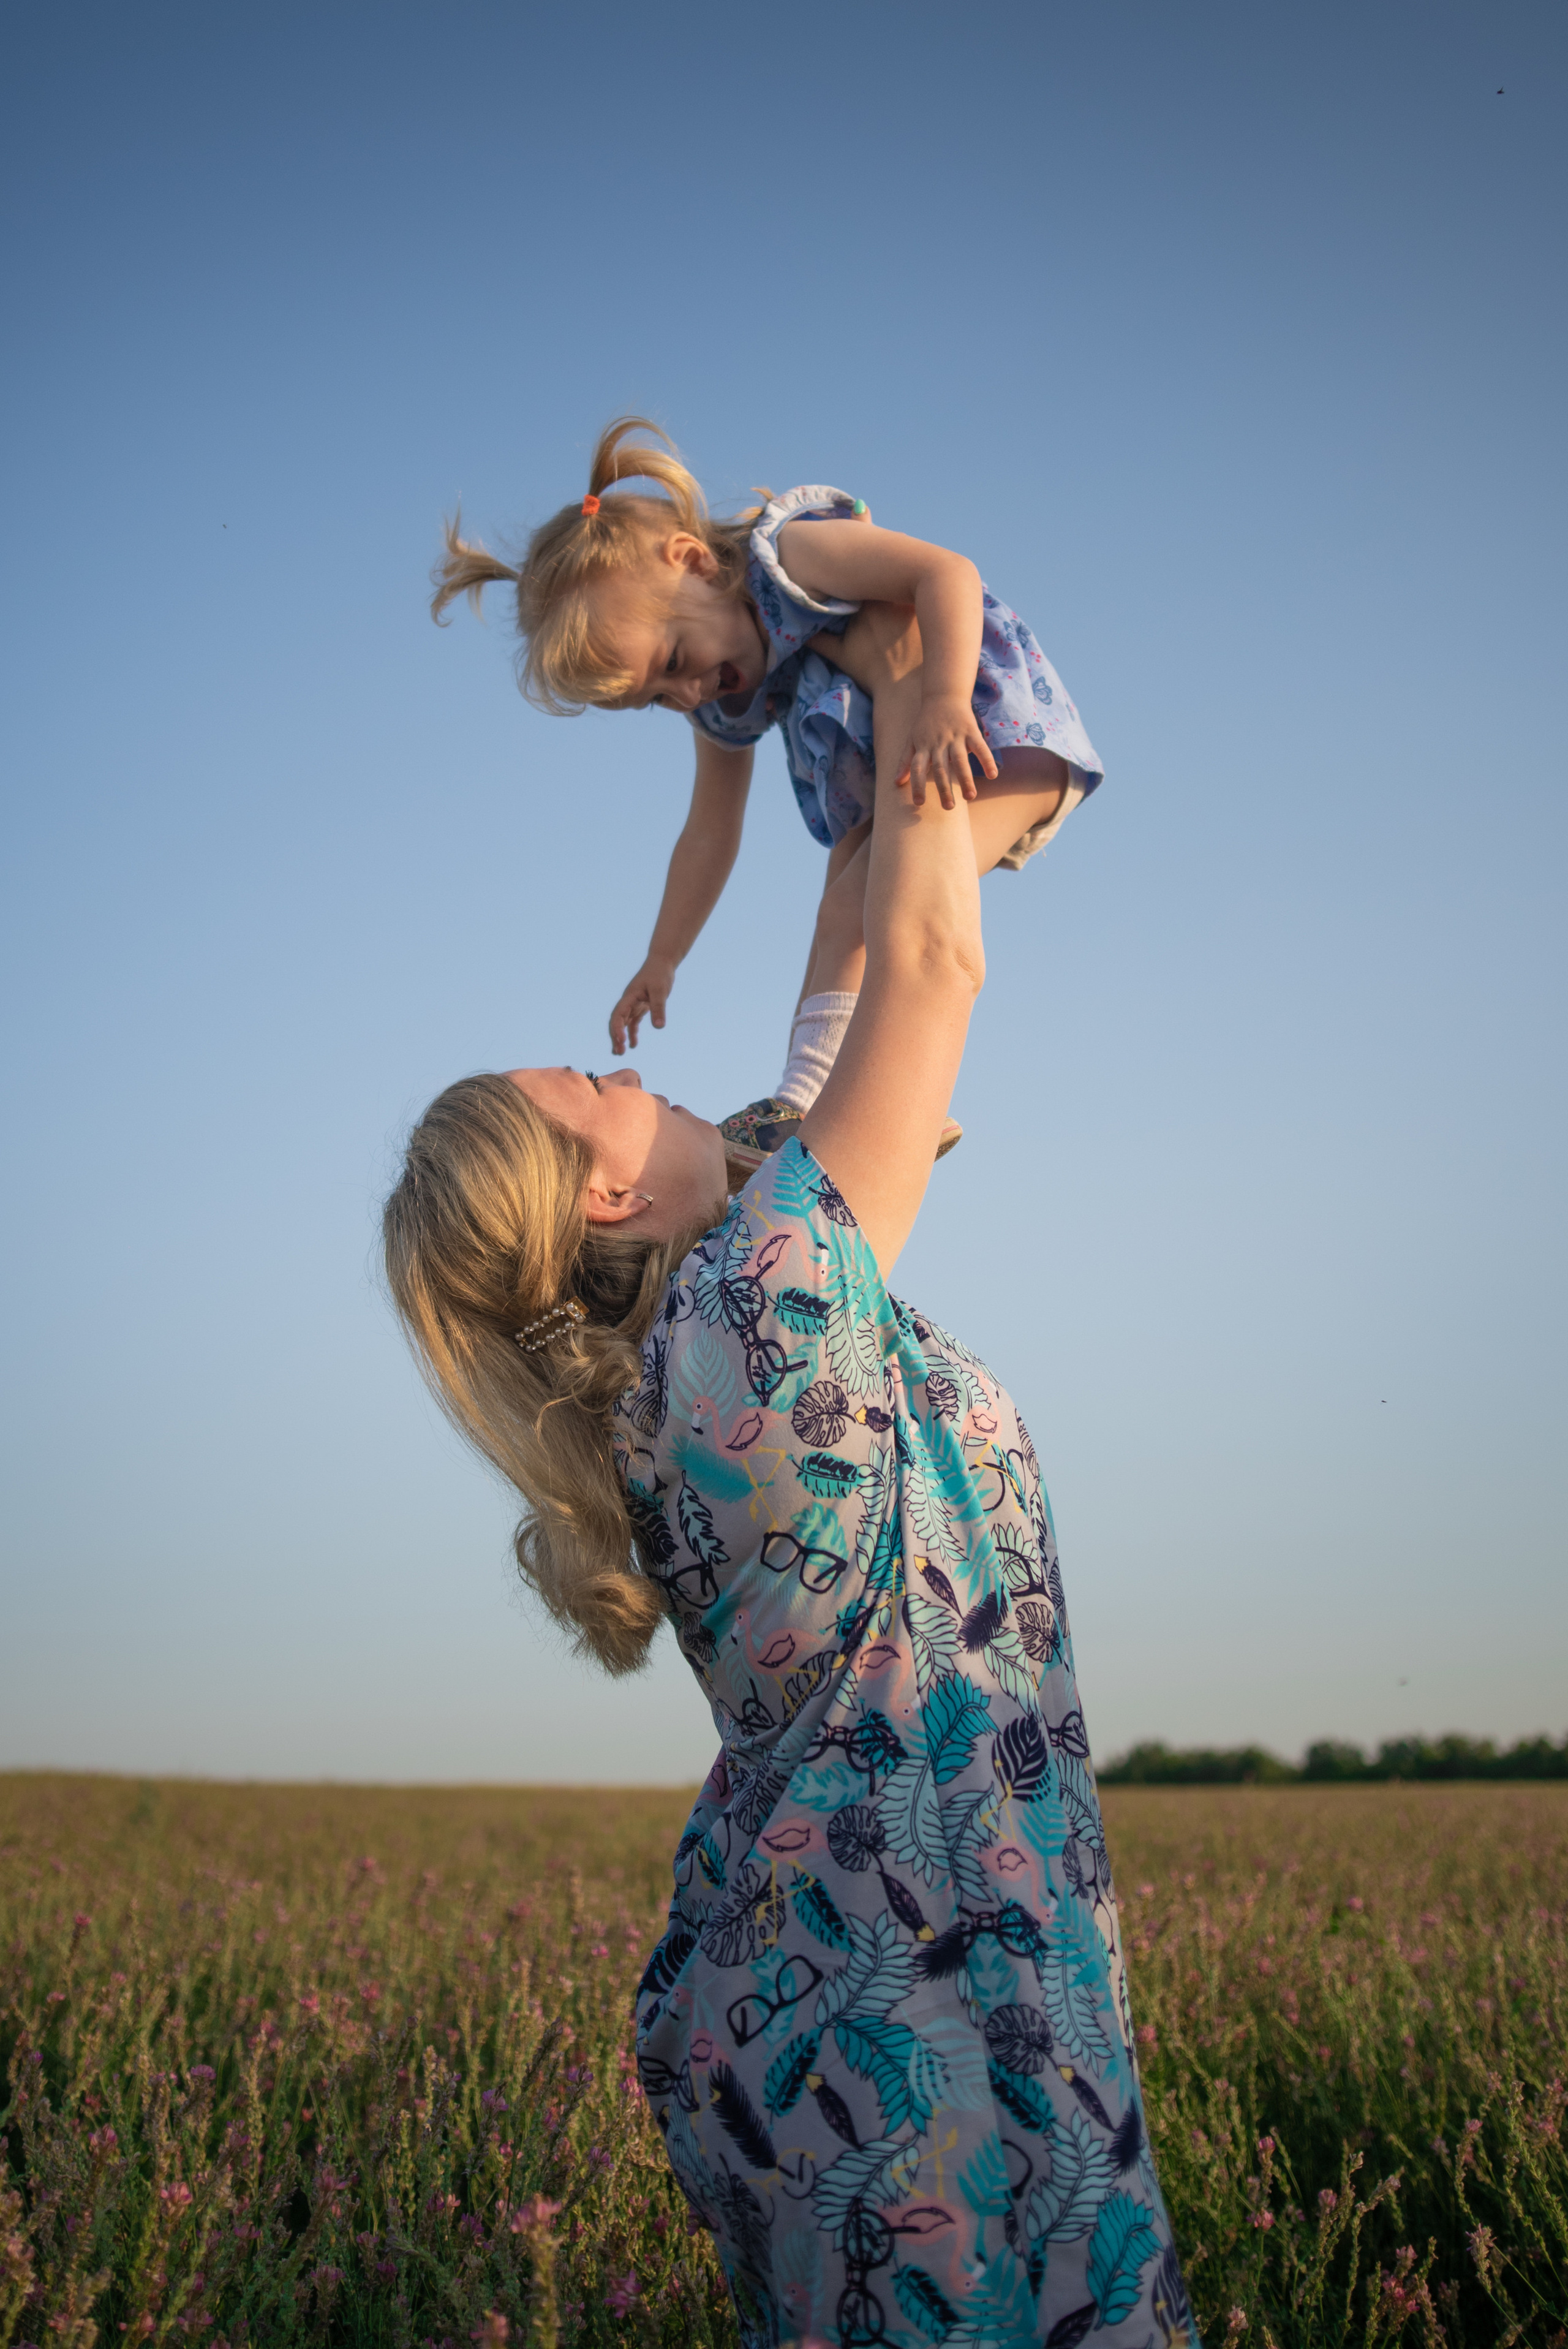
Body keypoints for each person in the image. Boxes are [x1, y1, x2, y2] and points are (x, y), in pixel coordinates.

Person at [382, 622, 1197, 2348]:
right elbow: (928, 970)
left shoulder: (706, 1319)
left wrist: (854, 671)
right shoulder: (759, 1299)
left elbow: (852, 957)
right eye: (586, 1083)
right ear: (603, 1201)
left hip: (858, 1973)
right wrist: (931, 694)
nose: (624, 1068)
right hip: (927, 2020)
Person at [431, 418, 1104, 1176]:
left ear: (690, 561)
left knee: (863, 907)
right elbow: (709, 830)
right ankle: (840, 1093)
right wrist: (663, 956)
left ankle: (824, 1094)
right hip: (898, 774)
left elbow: (943, 574)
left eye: (676, 660)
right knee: (837, 916)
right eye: (657, 698)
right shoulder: (717, 701)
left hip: (991, 734)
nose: (687, 692)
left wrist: (945, 699)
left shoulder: (789, 556)